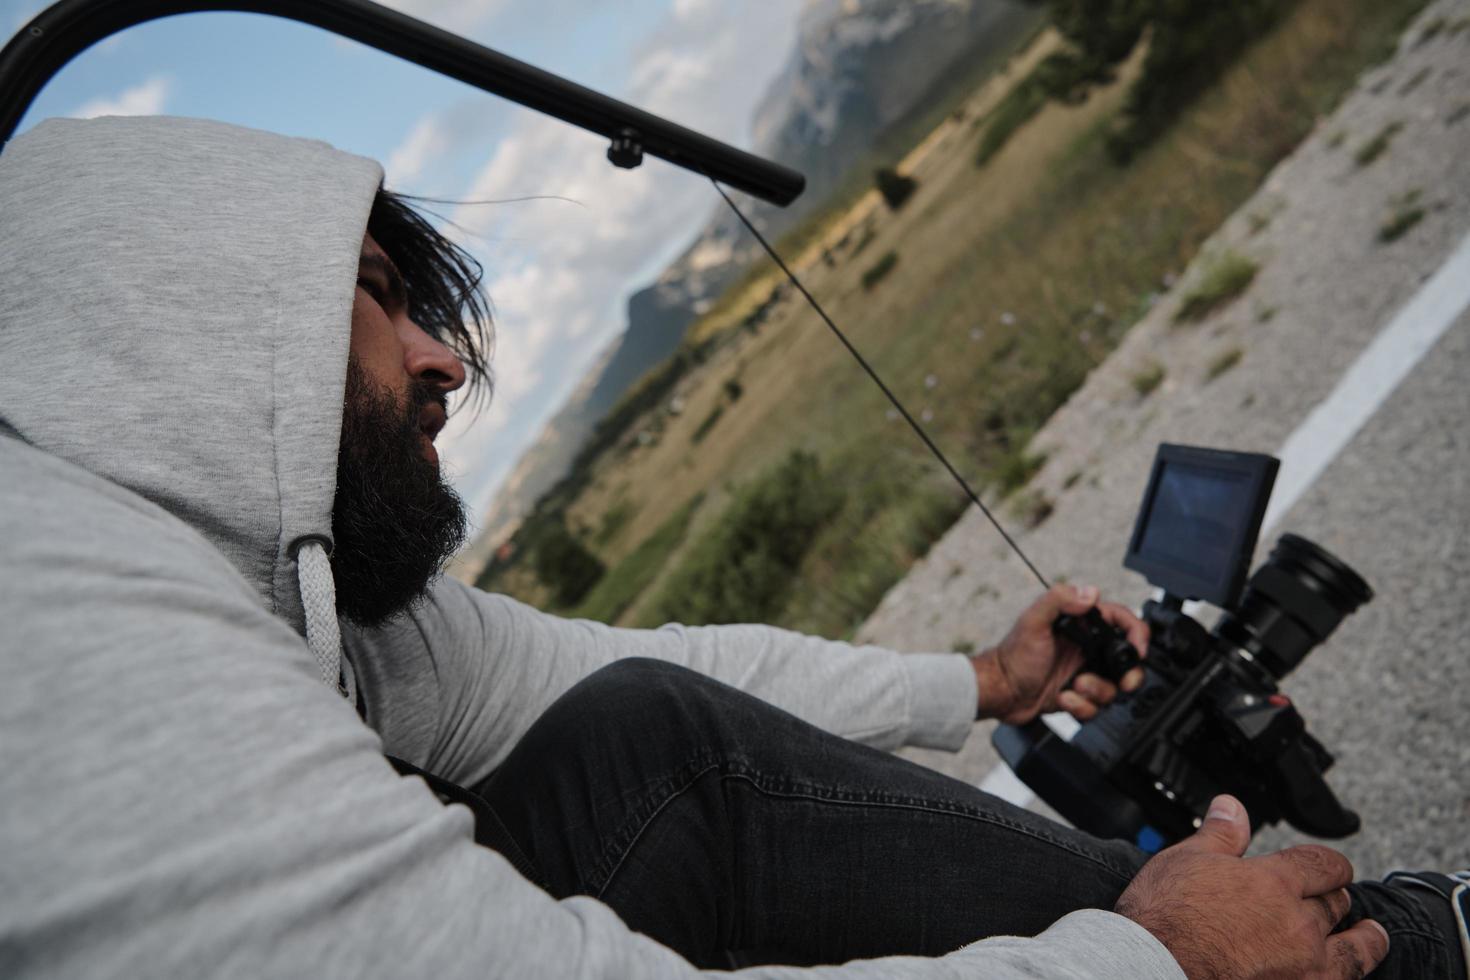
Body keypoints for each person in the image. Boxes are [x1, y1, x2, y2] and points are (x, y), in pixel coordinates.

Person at [0, 115, 1463, 979]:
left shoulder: (282, 574)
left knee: (641, 729)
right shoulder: (52, 641)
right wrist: (1146, 962)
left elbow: (637, 672)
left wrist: (978, 684)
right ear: (187, 335)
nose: (442, 356)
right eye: (380, 298)